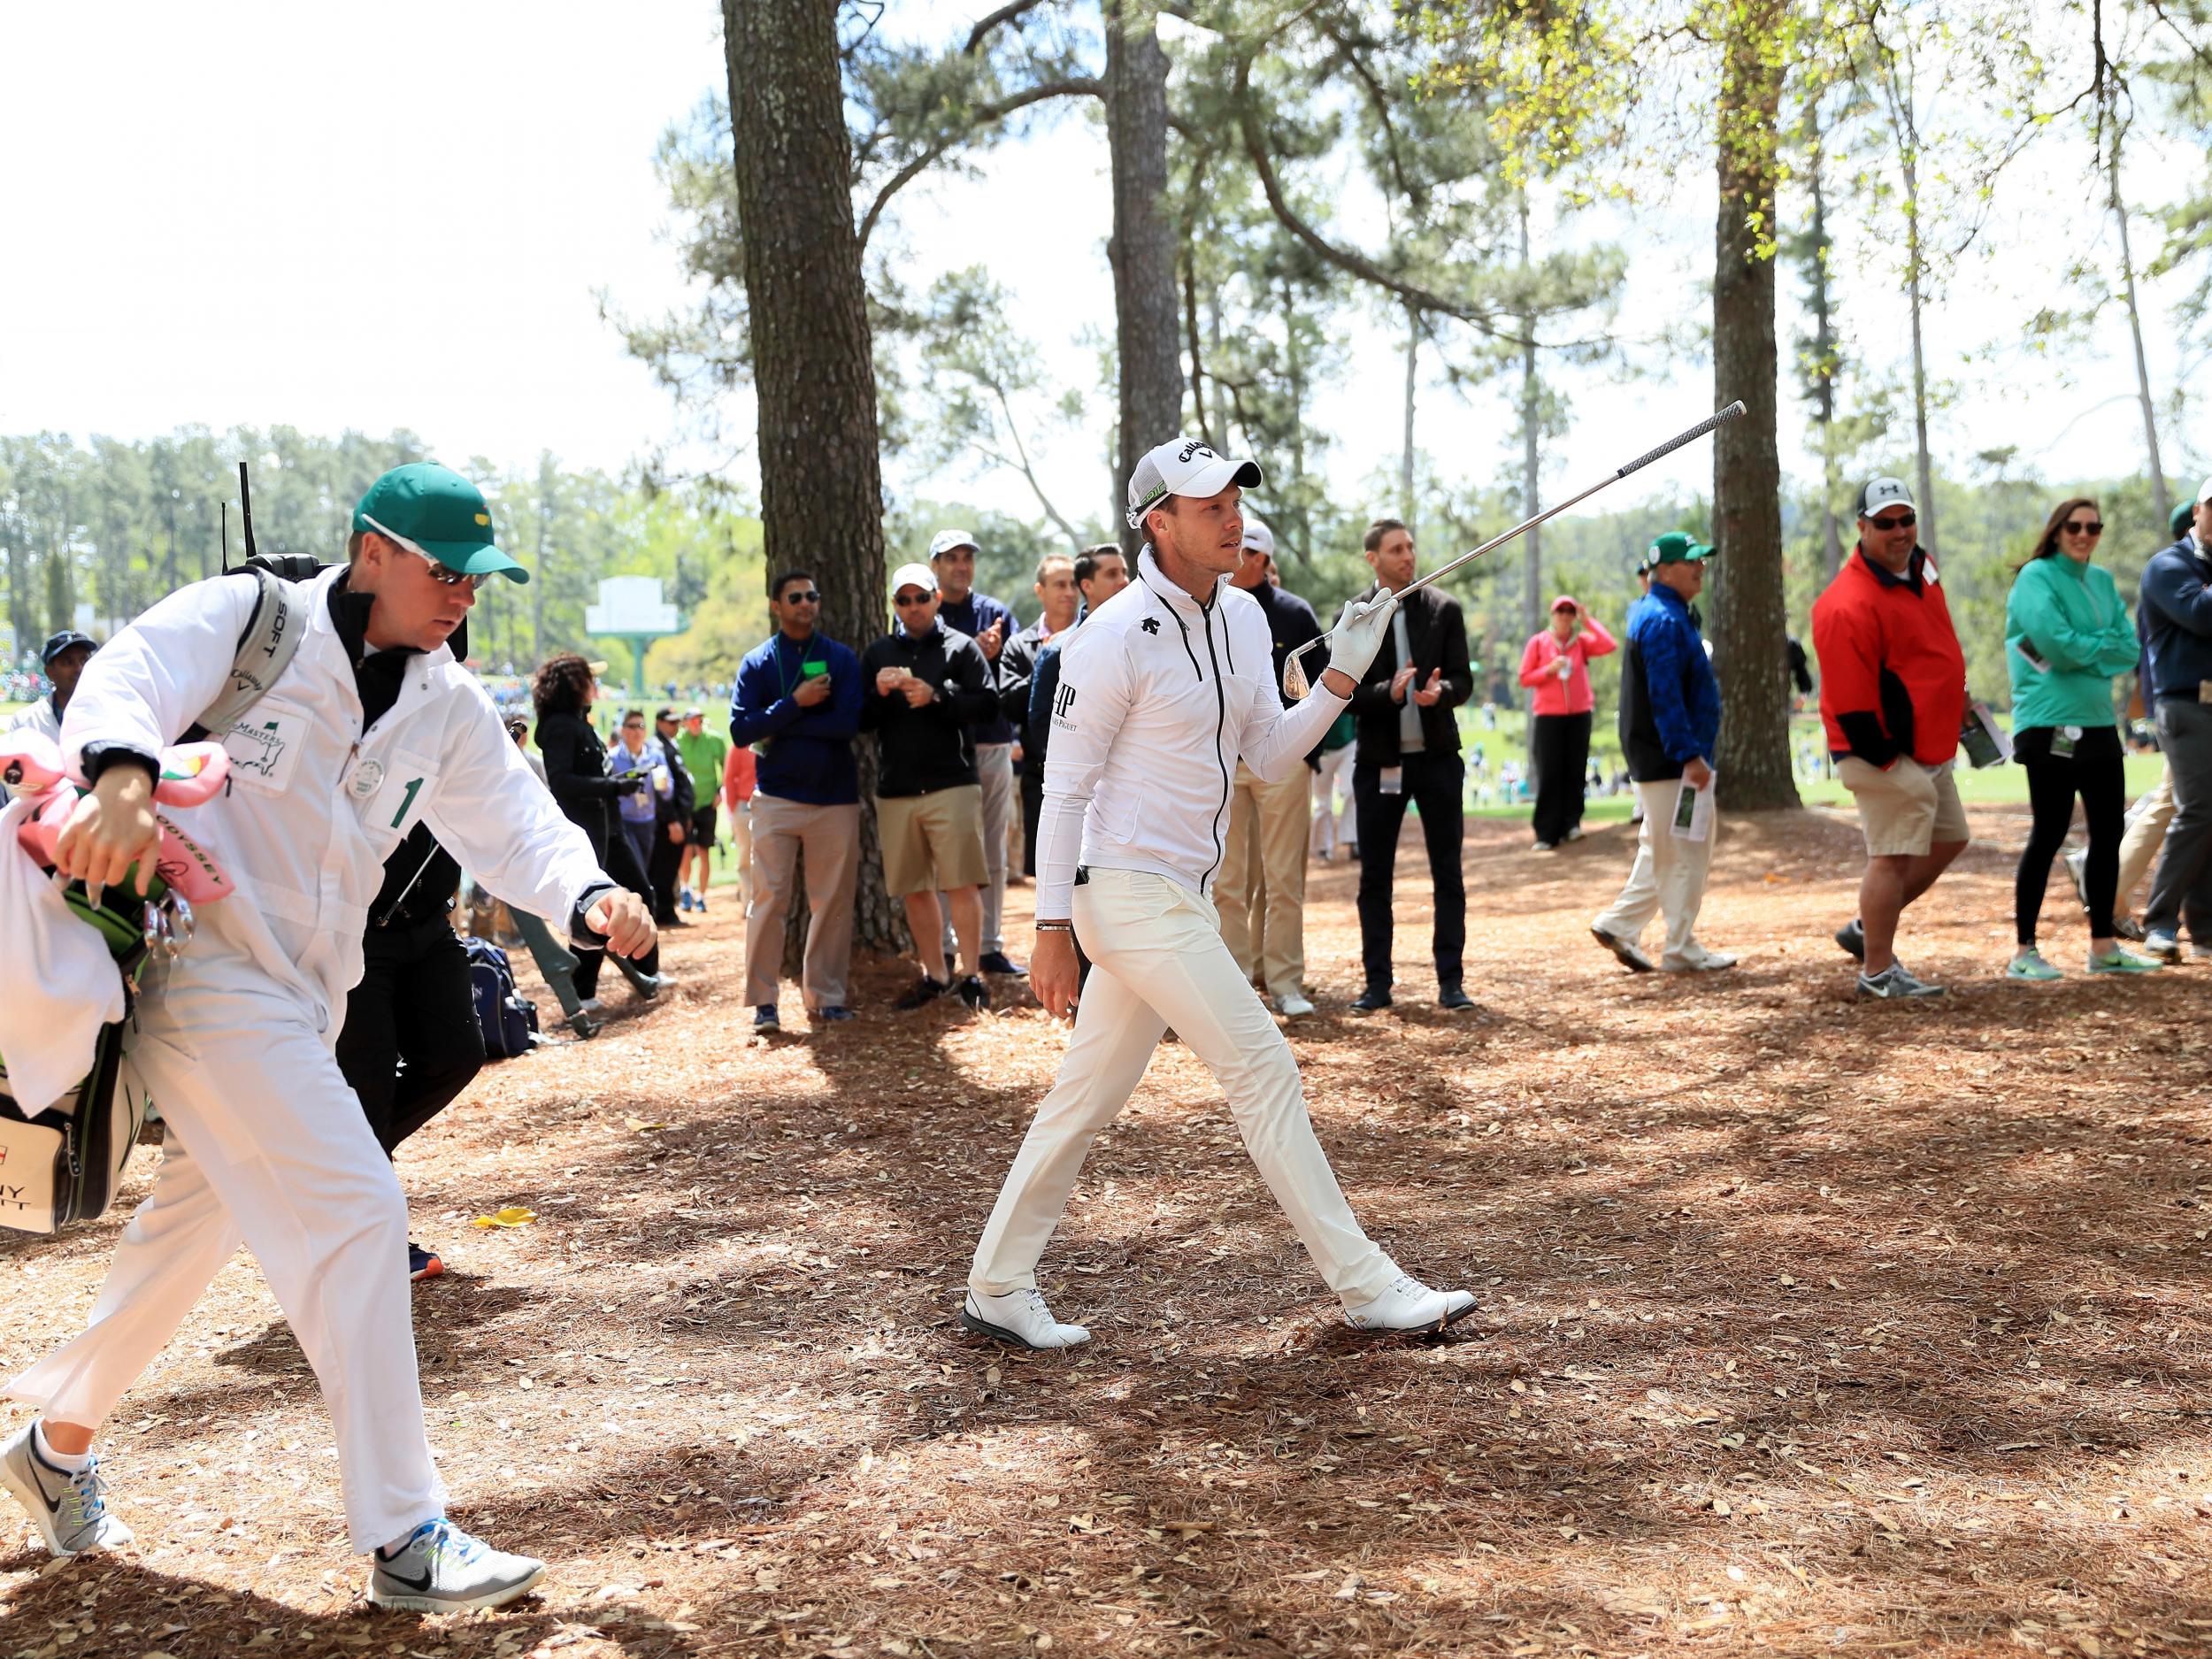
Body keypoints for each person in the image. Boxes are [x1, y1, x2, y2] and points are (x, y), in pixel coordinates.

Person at [3, 462, 656, 1609]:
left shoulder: (444, 700)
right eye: (445, 572)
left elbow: (509, 820)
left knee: (182, 1243)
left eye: (479, 580)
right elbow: (132, 671)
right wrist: (118, 772)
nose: (463, 595)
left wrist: (591, 895)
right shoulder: (258, 619)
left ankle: (53, 1444)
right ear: (373, 551)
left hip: (305, 995)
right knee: (358, 1205)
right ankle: (408, 1532)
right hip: (200, 969)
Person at [964, 436, 1474, 1350]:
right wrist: (1046, 927)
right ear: (1157, 522)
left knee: (1081, 1099)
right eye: (1209, 506)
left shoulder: (1241, 618)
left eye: (1235, 499)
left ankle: (997, 1286)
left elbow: (1266, 756)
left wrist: (1339, 682)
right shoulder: (1107, 638)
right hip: (1121, 891)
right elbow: (1063, 789)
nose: (1232, 517)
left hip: (1179, 896)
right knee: (1262, 1065)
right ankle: (1365, 1287)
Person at [1812, 476, 1969, 998]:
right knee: (1893, 855)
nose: (1899, 531)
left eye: (1906, 519)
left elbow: (1930, 648)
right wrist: (1889, 758)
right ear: (1862, 527)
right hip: (1878, 749)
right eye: (1885, 523)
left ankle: (1867, 927)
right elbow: (1853, 704)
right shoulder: (1845, 603)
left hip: (1927, 742)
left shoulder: (1922, 568)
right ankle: (1877, 971)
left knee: (1950, 836)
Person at [2001, 497, 2161, 979]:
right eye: (2075, 525)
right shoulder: (2035, 577)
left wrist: (2085, 652)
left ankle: (2103, 948)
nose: (2085, 534)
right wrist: (2096, 651)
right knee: (2047, 833)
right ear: (2057, 530)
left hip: (2096, 723)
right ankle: (2025, 951)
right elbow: (2055, 643)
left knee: (2109, 834)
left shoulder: (2103, 580)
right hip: (2047, 722)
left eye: (2094, 527)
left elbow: (2128, 647)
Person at [333, 820, 485, 1288]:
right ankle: (375, 1239)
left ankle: (328, 1159)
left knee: (458, 1054)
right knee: (368, 1082)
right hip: (354, 929)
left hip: (429, 923)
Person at [1346, 518, 1475, 1012]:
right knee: (1375, 877)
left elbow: (1462, 680)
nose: (1408, 556)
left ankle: (1451, 982)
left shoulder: (1445, 610)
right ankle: (1377, 984)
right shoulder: (1356, 617)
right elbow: (1346, 692)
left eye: (1411, 547)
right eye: (1396, 549)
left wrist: (1439, 692)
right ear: (1372, 559)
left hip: (1439, 761)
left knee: (1449, 873)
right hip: (1380, 762)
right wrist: (1389, 692)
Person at [1589, 534, 1733, 974]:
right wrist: (1689, 754)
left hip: (1665, 758)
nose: (1701, 569)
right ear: (1664, 569)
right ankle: (1681, 947)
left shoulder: (1662, 613)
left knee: (1664, 848)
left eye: (1702, 562)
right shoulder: (1664, 620)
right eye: (1691, 562)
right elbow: (1664, 695)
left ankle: (1619, 924)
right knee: (1687, 849)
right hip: (1673, 761)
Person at [728, 569, 863, 1031]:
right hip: (776, 800)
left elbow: (848, 725)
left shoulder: (841, 659)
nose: (806, 603)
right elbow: (742, 730)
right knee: (767, 901)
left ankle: (825, 995)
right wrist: (796, 704)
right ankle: (764, 1002)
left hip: (835, 801)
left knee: (832, 902)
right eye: (795, 597)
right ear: (776, 606)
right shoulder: (758, 663)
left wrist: (780, 723)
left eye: (812, 595)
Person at [861, 561, 998, 1012]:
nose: (914, 606)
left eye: (922, 597)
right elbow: (859, 721)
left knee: (962, 884)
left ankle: (973, 975)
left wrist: (937, 697)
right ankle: (935, 975)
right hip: (897, 790)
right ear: (895, 605)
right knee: (916, 889)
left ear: (937, 599)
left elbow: (988, 704)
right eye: (904, 600)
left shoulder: (961, 649)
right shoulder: (878, 653)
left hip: (952, 785)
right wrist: (879, 695)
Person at [1214, 518, 1325, 1018]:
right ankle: (1235, 984)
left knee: (1283, 879)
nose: (1239, 556)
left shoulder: (1296, 614)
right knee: (1227, 881)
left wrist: (1308, 757)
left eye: (1249, 550)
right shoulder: (1210, 607)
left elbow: (1321, 694)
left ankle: (1284, 981)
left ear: (1262, 560)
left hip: (1281, 763)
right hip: (1223, 761)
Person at [534, 661, 667, 1007]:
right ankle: (583, 991)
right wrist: (614, 787)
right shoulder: (561, 726)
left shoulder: (579, 720)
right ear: (574, 684)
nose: (595, 684)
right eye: (590, 679)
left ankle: (646, 971)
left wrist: (617, 785)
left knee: (640, 894)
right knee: (593, 905)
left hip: (610, 828)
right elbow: (561, 782)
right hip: (589, 831)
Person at [928, 529, 1024, 977]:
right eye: (951, 558)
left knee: (993, 849)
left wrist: (994, 657)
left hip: (991, 741)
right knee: (945, 852)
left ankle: (988, 945)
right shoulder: (922, 612)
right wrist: (975, 659)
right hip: (943, 747)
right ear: (935, 566)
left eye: (967, 557)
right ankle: (946, 945)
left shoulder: (996, 613)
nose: (961, 565)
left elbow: (1014, 675)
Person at [2134, 475, 2212, 962]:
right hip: (2184, 704)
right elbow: (2203, 614)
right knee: (2198, 810)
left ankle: (2204, 929)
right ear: (2197, 513)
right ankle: (2159, 922)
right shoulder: (2168, 566)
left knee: (2210, 815)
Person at [506, 712, 598, 1038]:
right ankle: (576, 1012)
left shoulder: (528, 762)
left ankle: (580, 1009)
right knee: (548, 941)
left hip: (533, 855)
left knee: (585, 909)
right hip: (510, 862)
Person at [998, 553, 1082, 879]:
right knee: (1047, 880)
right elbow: (1009, 705)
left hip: (1092, 776)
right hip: (1039, 778)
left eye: (1074, 584)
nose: (1069, 592)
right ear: (1039, 591)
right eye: (1059, 584)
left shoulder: (1098, 634)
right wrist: (1047, 662)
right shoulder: (1019, 646)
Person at [1519, 595, 1617, 851]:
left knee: (1575, 771)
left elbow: (1609, 645)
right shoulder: (1539, 642)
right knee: (1550, 772)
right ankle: (1546, 832)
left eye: (1570, 611)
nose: (1564, 615)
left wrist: (1588, 621)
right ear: (1552, 615)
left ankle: (1572, 823)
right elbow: (1525, 677)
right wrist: (1549, 670)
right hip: (1548, 716)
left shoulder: (1581, 642)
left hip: (1579, 714)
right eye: (1560, 611)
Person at [608, 709, 671, 892]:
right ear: (623, 730)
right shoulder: (612, 758)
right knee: (634, 871)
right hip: (623, 822)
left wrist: (665, 786)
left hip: (648, 822)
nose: (637, 731)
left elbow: (667, 792)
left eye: (641, 726)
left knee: (643, 867)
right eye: (632, 726)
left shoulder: (655, 757)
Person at [673, 708, 728, 912]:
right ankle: (686, 889)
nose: (697, 724)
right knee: (686, 850)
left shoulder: (714, 740)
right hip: (686, 805)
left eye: (700, 720)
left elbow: (726, 766)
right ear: (685, 723)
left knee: (704, 851)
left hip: (707, 803)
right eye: (693, 721)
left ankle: (702, 896)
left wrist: (721, 790)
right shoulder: (678, 741)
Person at [648, 708, 695, 928]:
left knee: (670, 864)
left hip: (678, 816)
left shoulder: (670, 744)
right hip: (668, 820)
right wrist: (672, 819)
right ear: (658, 723)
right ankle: (663, 911)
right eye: (670, 722)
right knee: (664, 866)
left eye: (677, 722)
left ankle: (665, 909)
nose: (675, 726)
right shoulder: (658, 748)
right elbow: (662, 788)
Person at [1310, 708, 1356, 861]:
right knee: (1323, 802)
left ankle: (1352, 839)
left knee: (1351, 791)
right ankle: (1322, 847)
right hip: (1322, 750)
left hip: (1348, 744)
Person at [720, 736, 757, 910]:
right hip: (745, 804)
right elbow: (729, 777)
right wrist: (734, 808)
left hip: (769, 805)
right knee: (746, 855)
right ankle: (748, 901)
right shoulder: (740, 745)